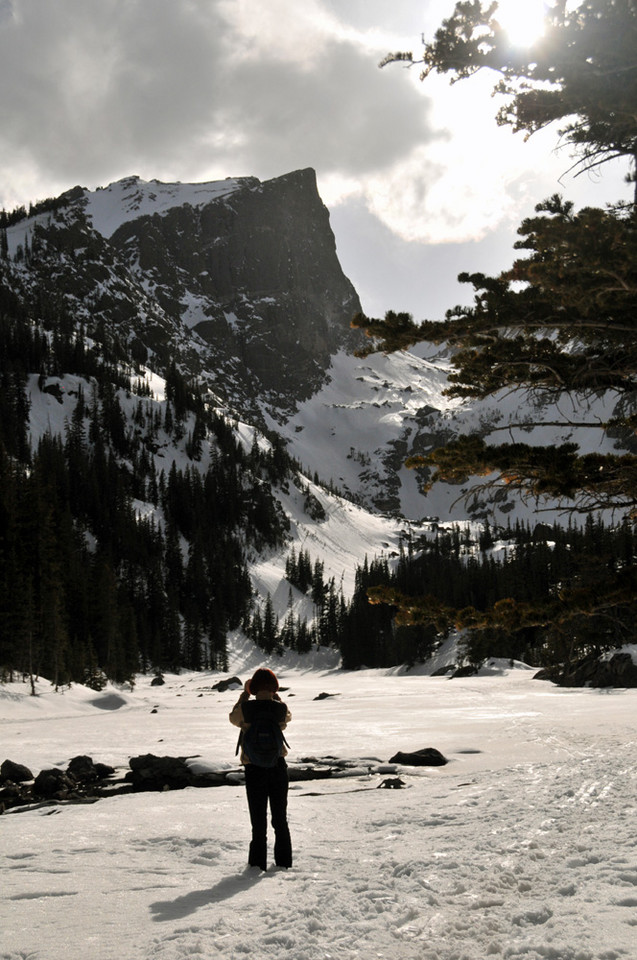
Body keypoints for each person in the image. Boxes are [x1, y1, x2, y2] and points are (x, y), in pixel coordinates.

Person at [229, 667, 292, 871]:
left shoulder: (246, 710)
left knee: (258, 821)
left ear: (254, 687)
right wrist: (275, 695)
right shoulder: (279, 709)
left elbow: (232, 717)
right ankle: (283, 864)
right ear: (274, 687)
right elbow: (287, 716)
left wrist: (246, 694)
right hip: (277, 766)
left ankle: (257, 865)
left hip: (253, 768)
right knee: (280, 819)